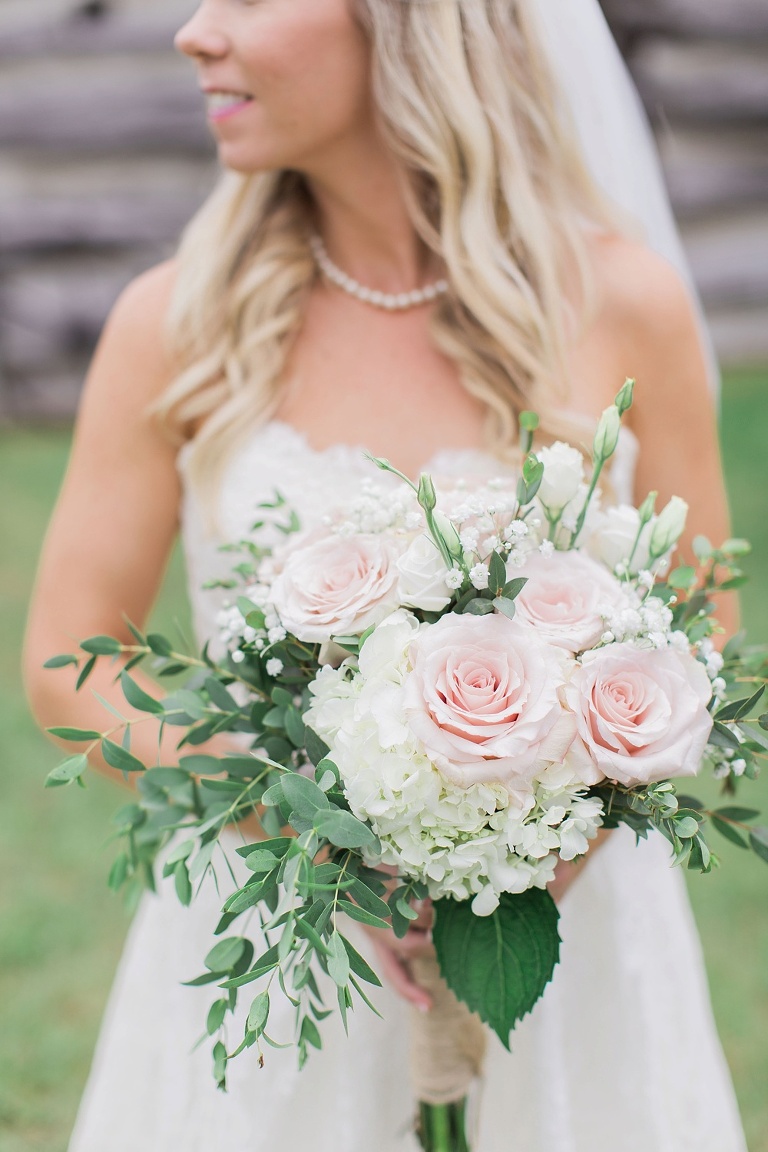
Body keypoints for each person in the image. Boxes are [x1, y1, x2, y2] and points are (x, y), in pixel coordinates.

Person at [24, 1, 748, 1148]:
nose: (194, 33)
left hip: (561, 956)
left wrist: (553, 846)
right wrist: (287, 817)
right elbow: (73, 665)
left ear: (408, 26)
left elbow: (702, 629)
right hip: (279, 951)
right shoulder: (175, 324)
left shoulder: (622, 305)